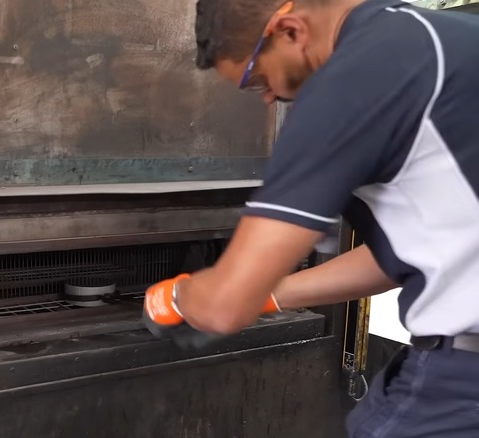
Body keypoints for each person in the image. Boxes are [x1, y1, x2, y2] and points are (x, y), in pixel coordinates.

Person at [142, 0, 479, 436]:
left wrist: (179, 297)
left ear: (290, 30)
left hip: (463, 386)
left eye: (257, 79)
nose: (269, 96)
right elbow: (419, 253)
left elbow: (224, 307)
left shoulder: (354, 77)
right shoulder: (449, 41)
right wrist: (270, 294)